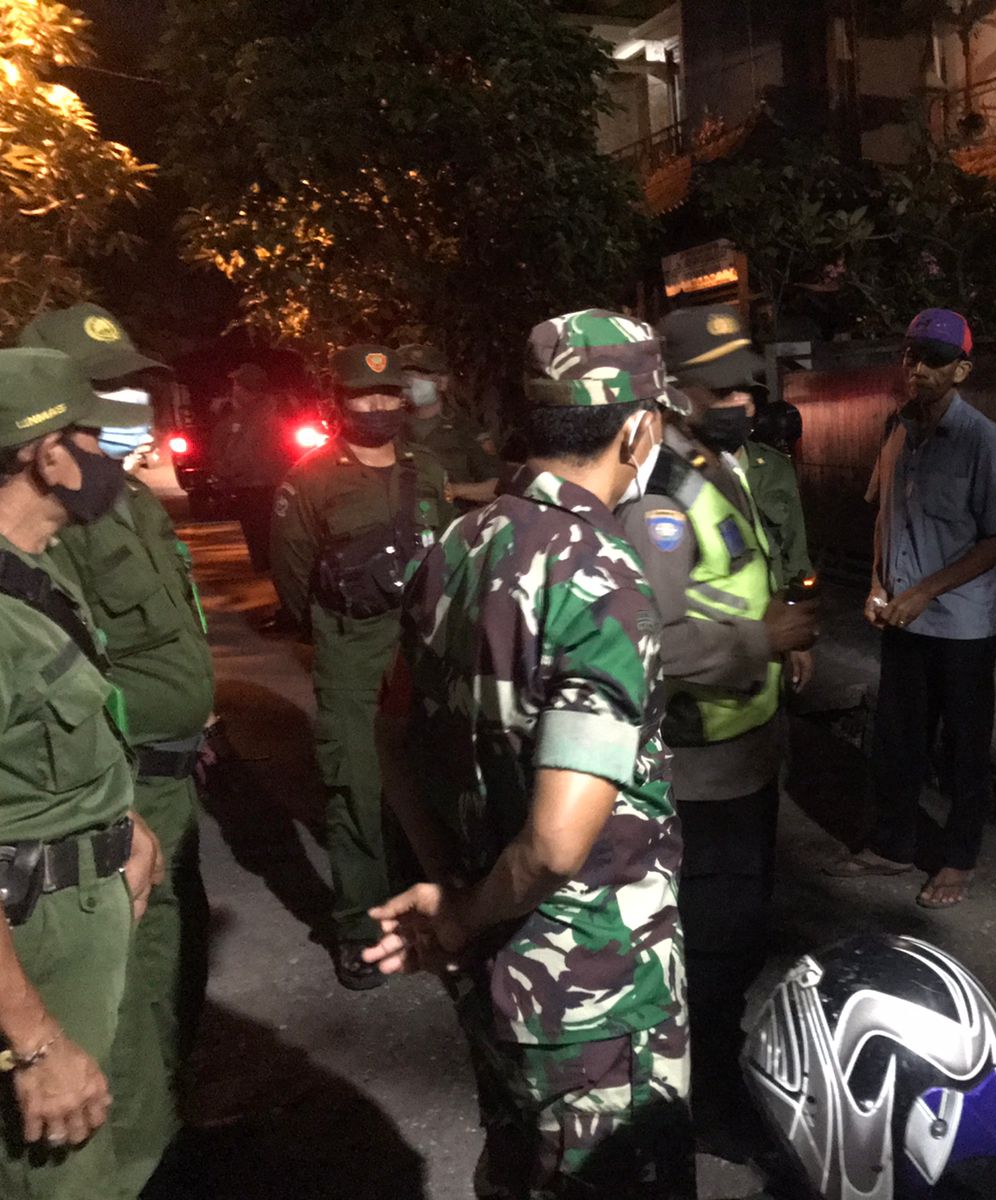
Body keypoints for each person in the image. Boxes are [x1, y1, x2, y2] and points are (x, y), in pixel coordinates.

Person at [365, 310, 692, 1199]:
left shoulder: (457, 546)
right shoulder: (600, 578)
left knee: (516, 1170)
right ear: (640, 429)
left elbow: (390, 734)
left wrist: (450, 889)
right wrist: (462, 917)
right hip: (596, 990)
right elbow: (555, 843)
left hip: (495, 973)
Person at [22, 306, 214, 1196]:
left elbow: (167, 630)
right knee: (125, 996)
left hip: (171, 774)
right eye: (103, 389)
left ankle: (172, 1126)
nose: (126, 404)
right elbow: (61, 672)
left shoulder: (122, 496)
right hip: (120, 789)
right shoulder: (45, 523)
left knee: (175, 971)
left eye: (129, 384)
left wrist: (197, 724)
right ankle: (141, 1166)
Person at [618, 303, 818, 1158]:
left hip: (747, 748)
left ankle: (713, 1077)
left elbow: (742, 577)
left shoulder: (712, 467)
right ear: (672, 391)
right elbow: (645, 646)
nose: (741, 400)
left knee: (738, 934)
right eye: (720, 389)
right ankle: (706, 1102)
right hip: (702, 766)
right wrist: (757, 642)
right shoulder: (660, 497)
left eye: (746, 386)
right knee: (711, 946)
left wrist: (779, 638)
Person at [0, 347, 164, 1199]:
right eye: (98, 437)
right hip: (23, 966)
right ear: (48, 455)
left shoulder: (24, 568)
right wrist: (35, 1044)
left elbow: (43, 744)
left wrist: (122, 822)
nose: (119, 453)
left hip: (76, 933)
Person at [269, 346, 450, 989]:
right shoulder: (310, 480)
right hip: (351, 647)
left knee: (435, 778)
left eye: (387, 394)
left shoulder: (427, 470)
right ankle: (360, 927)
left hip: (421, 646)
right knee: (356, 787)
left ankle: (438, 909)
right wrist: (333, 630)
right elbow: (292, 577)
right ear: (339, 402)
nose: (376, 406)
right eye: (362, 395)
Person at [828, 308, 996, 910]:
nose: (918, 368)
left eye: (935, 359)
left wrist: (924, 592)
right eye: (911, 355)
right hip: (902, 616)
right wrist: (877, 585)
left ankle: (958, 858)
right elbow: (884, 514)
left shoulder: (981, 437)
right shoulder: (897, 427)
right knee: (898, 740)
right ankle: (893, 846)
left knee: (965, 746)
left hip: (960, 624)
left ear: (961, 369)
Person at [208, 362, 291, 572]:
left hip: (259, 486)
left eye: (236, 385)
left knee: (263, 543)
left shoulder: (259, 417)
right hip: (262, 484)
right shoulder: (256, 412)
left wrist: (224, 473)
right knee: (266, 541)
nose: (233, 389)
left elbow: (243, 454)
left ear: (245, 388)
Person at [398, 343, 501, 508]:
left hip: (454, 519)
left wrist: (453, 490)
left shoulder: (465, 429)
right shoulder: (391, 427)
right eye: (404, 376)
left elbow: (496, 488)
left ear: (442, 382)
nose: (409, 382)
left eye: (418, 375)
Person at [742, 398, 813, 585]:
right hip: (763, 573)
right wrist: (800, 573)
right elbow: (792, 527)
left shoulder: (772, 464)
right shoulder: (776, 466)